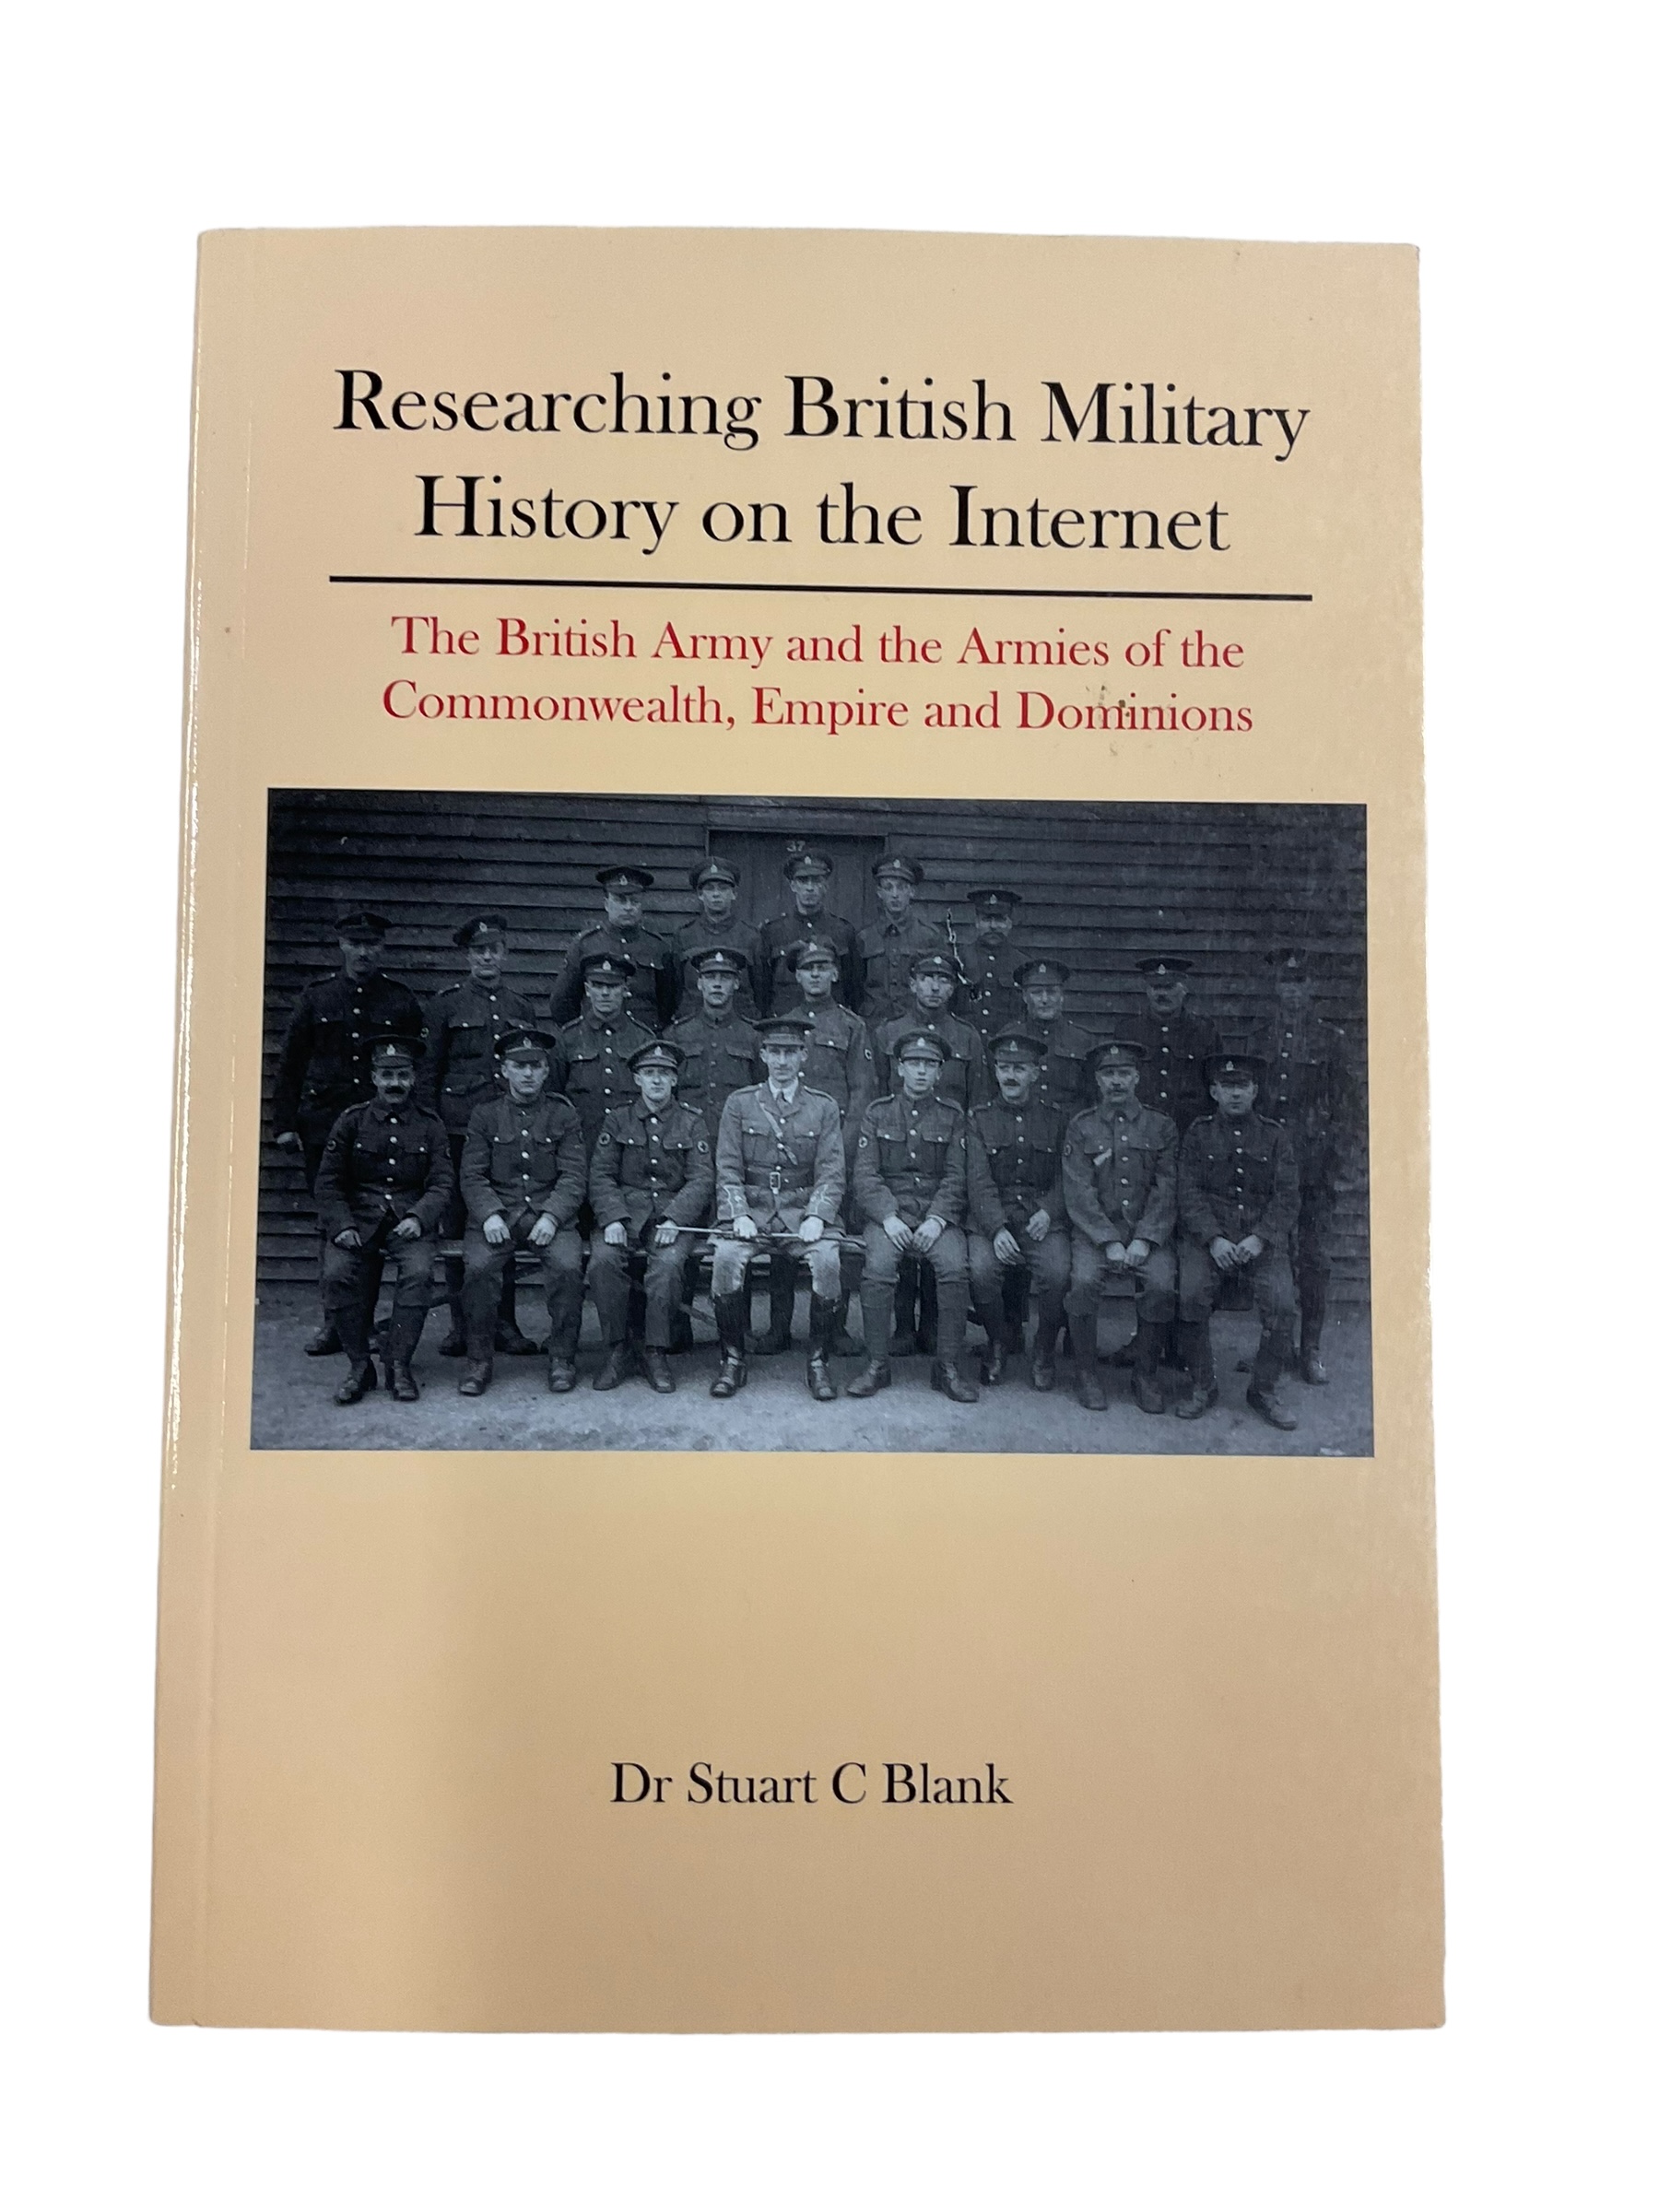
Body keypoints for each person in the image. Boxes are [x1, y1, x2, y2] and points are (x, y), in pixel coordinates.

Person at [269, 909, 425, 1355]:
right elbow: (292, 1063)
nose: (363, 952)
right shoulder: (317, 998)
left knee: (374, 1221)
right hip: (324, 1126)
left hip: (380, 1129)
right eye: (355, 944)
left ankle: (364, 1322)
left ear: (382, 948)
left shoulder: (399, 1001)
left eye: (371, 944)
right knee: (333, 1224)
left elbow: (418, 1065)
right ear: (342, 945)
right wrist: (284, 1124)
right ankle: (333, 1322)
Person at [709, 1013, 848, 1403]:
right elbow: (728, 1167)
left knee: (828, 1262)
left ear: (804, 1055)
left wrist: (817, 1215)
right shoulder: (740, 1103)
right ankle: (732, 1359)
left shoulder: (823, 1106)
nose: (782, 1061)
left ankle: (818, 1361)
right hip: (751, 1211)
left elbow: (832, 1171)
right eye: (775, 1052)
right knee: (725, 1260)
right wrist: (738, 1213)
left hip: (802, 1212)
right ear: (763, 1055)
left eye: (791, 1052)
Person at [424, 912, 543, 1359]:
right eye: (479, 951)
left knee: (504, 1220)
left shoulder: (520, 1007)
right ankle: (461, 1324)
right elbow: (429, 1073)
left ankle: (505, 1323)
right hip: (458, 1130)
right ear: (468, 956)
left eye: (494, 950)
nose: (487, 958)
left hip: (508, 1131)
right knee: (459, 1227)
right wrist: (434, 1131)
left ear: (505, 954)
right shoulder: (446, 1005)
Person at [314, 1033, 453, 1406]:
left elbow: (442, 1183)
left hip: (408, 1220)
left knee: (419, 1273)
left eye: (403, 1075)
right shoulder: (352, 1121)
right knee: (337, 1274)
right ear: (374, 1077)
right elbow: (328, 1181)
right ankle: (360, 1365)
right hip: (358, 1220)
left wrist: (419, 1217)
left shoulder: (430, 1125)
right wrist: (342, 1225)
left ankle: (399, 1364)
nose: (395, 1083)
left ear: (413, 1078)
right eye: (387, 1075)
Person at [455, 1028, 588, 1397]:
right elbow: (472, 1174)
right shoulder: (485, 1115)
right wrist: (489, 1214)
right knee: (479, 1269)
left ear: (546, 1071)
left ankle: (562, 1358)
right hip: (498, 1215)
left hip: (549, 1214)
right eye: (519, 1066)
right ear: (504, 1070)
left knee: (567, 1268)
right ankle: (478, 1360)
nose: (528, 1074)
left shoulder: (563, 1114)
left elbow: (574, 1175)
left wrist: (552, 1216)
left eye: (535, 1066)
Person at [1173, 1052, 1301, 1430]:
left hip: (1260, 1241)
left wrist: (1260, 1238)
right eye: (1226, 1086)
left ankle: (1263, 1389)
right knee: (1191, 1294)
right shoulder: (1198, 1134)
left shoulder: (1275, 1136)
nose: (1235, 1094)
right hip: (1210, 1240)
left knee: (1282, 1304)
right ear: (1213, 1092)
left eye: (1242, 1086)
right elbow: (1188, 1192)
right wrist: (1213, 1239)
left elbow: (1287, 1196)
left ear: (1255, 1091)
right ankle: (1203, 1385)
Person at [847, 1030, 977, 1404]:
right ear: (900, 1068)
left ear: (939, 1072)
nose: (921, 1071)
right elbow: (865, 1175)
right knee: (878, 1269)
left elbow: (957, 1176)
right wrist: (888, 1217)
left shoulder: (953, 1116)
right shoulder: (878, 1113)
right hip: (890, 1215)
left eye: (929, 1065)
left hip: (937, 1215)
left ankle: (947, 1367)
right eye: (914, 1063)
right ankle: (877, 1364)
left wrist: (938, 1219)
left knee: (954, 1269)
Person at [767, 935, 877, 1355]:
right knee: (781, 1236)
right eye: (807, 969)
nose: (815, 975)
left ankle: (835, 1327)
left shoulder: (852, 1026)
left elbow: (862, 1092)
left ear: (834, 973)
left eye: (822, 967)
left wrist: (842, 1151)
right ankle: (778, 1327)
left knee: (837, 1239)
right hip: (787, 1150)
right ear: (797, 976)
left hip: (836, 1151)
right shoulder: (783, 1024)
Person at [1254, 947, 1359, 1385]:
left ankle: (1310, 1348)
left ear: (1311, 987)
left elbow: (1348, 1109)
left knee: (1313, 1258)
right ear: (1276, 987)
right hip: (1269, 1167)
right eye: (1285, 982)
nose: (1292, 990)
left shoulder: (1331, 1040)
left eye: (1299, 982)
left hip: (1314, 1168)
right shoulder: (1260, 1039)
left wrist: (1335, 1161)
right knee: (1270, 1255)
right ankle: (1274, 1346)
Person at [586, 1041, 715, 1394]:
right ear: (637, 1079)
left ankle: (655, 1351)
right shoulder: (618, 1119)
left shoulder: (692, 1122)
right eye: (649, 1073)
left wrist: (675, 1218)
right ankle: (618, 1349)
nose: (657, 1080)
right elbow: (601, 1174)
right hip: (625, 1214)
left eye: (664, 1074)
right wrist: (612, 1218)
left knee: (668, 1267)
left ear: (675, 1080)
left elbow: (701, 1178)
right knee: (603, 1262)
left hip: (672, 1216)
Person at [1061, 1040, 1180, 1413]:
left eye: (1124, 1073)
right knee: (1082, 1283)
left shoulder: (1161, 1126)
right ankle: (1086, 1373)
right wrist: (1107, 1240)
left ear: (1137, 1077)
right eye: (1108, 1074)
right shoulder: (1081, 1126)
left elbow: (1166, 1189)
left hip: (1147, 1234)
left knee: (1161, 1285)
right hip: (1095, 1235)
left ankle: (1145, 1374)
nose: (1116, 1081)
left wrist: (1145, 1239)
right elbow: (1078, 1191)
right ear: (1097, 1080)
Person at [966, 1029, 1070, 1390]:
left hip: (1041, 1219)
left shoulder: (1056, 1119)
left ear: (1035, 1073)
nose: (1011, 1076)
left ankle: (1044, 1348)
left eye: (1020, 1068)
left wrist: (1049, 1211)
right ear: (995, 1071)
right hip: (993, 1217)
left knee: (1058, 1274)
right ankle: (997, 1341)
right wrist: (996, 1228)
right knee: (981, 1272)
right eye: (1004, 1068)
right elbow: (977, 1180)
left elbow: (1067, 1175)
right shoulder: (978, 1119)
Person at [551, 951, 659, 1152]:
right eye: (598, 985)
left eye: (612, 986)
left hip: (630, 1146)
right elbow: (554, 1098)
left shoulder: (643, 1039)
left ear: (625, 989)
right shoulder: (569, 1037)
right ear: (587, 989)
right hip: (581, 1144)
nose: (605, 993)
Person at [547, 865, 676, 1029]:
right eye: (620, 900)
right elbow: (561, 1002)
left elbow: (669, 1002)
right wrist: (582, 1034)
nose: (628, 907)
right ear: (607, 904)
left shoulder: (658, 946)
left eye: (634, 901)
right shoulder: (586, 944)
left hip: (646, 1037)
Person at [665, 947, 762, 1134]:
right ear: (700, 983)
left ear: (736, 983)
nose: (717, 984)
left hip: (736, 1132)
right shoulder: (677, 1034)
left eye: (725, 978)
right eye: (710, 977)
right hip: (686, 1134)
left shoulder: (753, 1035)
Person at [873, 950, 987, 1110]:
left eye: (943, 981)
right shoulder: (889, 1031)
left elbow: (978, 1098)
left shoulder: (967, 1035)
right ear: (913, 985)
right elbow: (877, 1093)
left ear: (952, 989)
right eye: (926, 980)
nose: (935, 988)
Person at [758, 845, 862, 1013]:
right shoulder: (773, 932)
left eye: (816, 881)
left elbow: (854, 990)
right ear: (793, 885)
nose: (810, 888)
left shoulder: (843, 931)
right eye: (803, 881)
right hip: (786, 1022)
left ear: (826, 885)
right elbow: (762, 990)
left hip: (831, 1023)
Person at [856, 854, 945, 1027]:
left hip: (915, 1025)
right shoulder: (865, 937)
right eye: (888, 888)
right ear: (879, 892)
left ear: (912, 891)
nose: (895, 894)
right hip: (874, 1025)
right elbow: (854, 988)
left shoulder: (929, 936)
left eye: (902, 887)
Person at [671, 860, 765, 1017]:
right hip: (693, 1020)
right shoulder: (684, 935)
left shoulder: (751, 936)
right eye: (709, 888)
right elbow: (675, 987)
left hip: (740, 1021)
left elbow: (761, 990)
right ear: (700, 894)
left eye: (723, 888)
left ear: (734, 893)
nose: (716, 894)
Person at [1011, 959, 1096, 1119]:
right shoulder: (1011, 1037)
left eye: (1051, 992)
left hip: (1069, 1126)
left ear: (1061, 996)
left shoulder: (1083, 1040)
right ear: (1024, 996)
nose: (1045, 999)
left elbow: (1094, 1098)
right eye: (1037, 992)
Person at [956, 887, 1028, 1046]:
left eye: (1000, 919)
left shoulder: (1023, 965)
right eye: (987, 919)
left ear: (1010, 923)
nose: (993, 926)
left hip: (1008, 1048)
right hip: (966, 1046)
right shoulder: (959, 959)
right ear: (977, 922)